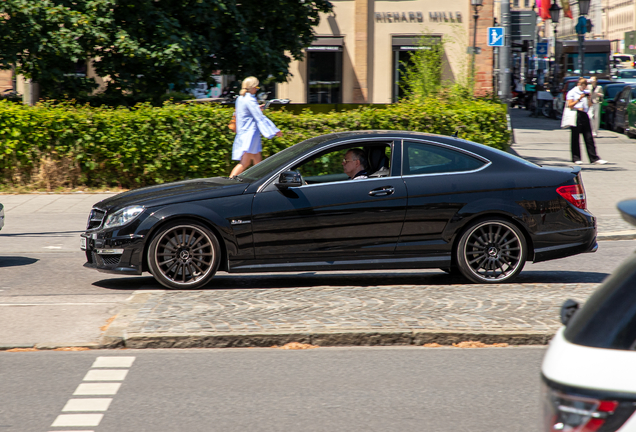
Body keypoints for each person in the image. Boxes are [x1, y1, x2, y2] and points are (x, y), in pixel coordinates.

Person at [229, 77, 282, 177]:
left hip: (246, 134)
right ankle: (227, 185)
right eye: (256, 87)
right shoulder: (250, 99)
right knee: (245, 163)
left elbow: (244, 113)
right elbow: (260, 117)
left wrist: (256, 108)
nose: (257, 89)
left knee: (258, 164)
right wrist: (274, 130)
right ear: (252, 87)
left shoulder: (241, 99)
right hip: (250, 135)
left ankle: (262, 185)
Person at [566, 77, 608, 165]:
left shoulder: (585, 92)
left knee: (589, 137)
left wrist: (588, 99)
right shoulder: (572, 92)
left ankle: (594, 158)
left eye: (585, 86)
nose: (584, 88)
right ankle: (576, 157)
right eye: (583, 86)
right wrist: (579, 98)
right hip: (575, 114)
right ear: (579, 84)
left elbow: (589, 106)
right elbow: (570, 105)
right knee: (575, 137)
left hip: (584, 114)